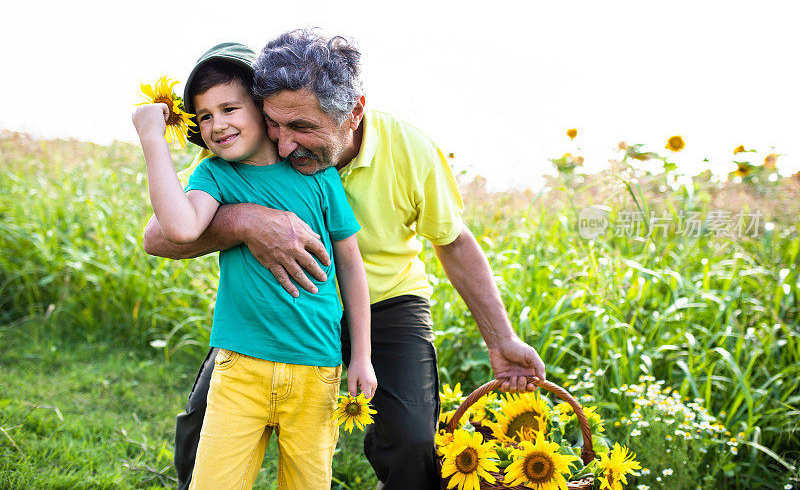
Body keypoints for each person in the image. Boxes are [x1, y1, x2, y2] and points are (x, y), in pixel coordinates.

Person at [143, 30, 547, 490]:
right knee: (201, 426)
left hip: (385, 302)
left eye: (302, 128)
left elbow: (452, 243)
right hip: (286, 304)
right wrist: (248, 221)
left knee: (412, 441)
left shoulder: (411, 151)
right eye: (275, 123)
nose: (286, 143)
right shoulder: (245, 153)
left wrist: (501, 339)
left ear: (353, 113)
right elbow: (160, 237)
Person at [133, 42, 376, 490]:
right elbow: (181, 228)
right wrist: (152, 138)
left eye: (229, 108)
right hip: (239, 367)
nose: (217, 124)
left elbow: (351, 265)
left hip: (316, 369)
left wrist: (360, 354)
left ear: (262, 110)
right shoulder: (214, 176)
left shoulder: (316, 175)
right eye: (204, 116)